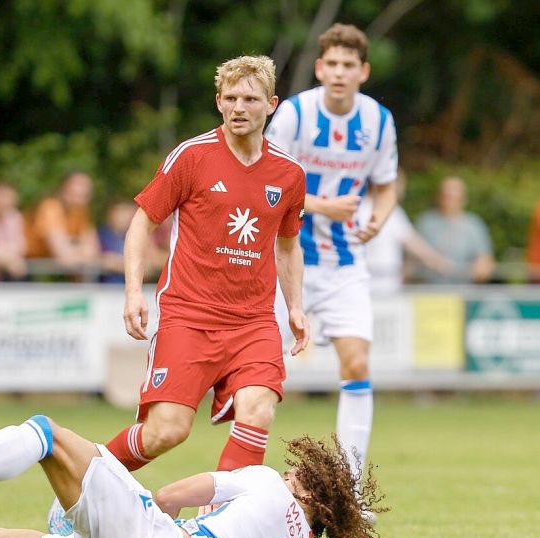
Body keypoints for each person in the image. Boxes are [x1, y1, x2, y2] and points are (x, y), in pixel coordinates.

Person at [106, 55, 309, 476]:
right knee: (166, 431)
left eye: (250, 99)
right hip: (188, 315)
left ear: (271, 104)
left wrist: (294, 306)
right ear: (218, 102)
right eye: (230, 98)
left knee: (258, 411)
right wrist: (132, 292)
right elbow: (141, 224)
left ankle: (220, 523)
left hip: (253, 323)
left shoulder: (289, 174)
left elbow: (287, 245)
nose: (239, 107)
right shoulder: (192, 157)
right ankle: (89, 478)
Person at [0, 415, 385, 538]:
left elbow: (171, 497)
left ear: (311, 492)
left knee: (48, 436)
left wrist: (120, 514)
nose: (288, 472)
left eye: (297, 472)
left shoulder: (265, 483)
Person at [265, 23, 398, 486]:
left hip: (343, 264)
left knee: (358, 363)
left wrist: (378, 218)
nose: (339, 73)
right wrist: (322, 205)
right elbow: (267, 183)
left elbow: (385, 186)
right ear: (320, 68)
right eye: (332, 65)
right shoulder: (295, 116)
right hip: (285, 260)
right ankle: (243, 481)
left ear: (363, 71)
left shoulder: (378, 121)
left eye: (349, 65)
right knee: (259, 371)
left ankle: (351, 488)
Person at [357, 169, 453, 294]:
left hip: (379, 280)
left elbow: (411, 240)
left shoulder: (387, 210)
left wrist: (436, 261)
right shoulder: (380, 210)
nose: (402, 189)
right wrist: (438, 262)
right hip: (375, 281)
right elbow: (412, 243)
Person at [414, 176, 495, 284]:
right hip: (428, 293)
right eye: (446, 196)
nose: (449, 200)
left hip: (462, 293)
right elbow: (412, 261)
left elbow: (485, 263)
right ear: (438, 197)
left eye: (454, 197)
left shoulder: (473, 224)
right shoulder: (425, 222)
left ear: (463, 199)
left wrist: (468, 272)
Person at [25, 172, 100, 278]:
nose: (80, 198)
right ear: (63, 190)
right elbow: (63, 256)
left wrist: (70, 246)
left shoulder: (81, 211)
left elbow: (93, 251)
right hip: (24, 268)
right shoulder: (50, 208)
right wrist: (76, 246)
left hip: (47, 269)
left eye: (84, 195)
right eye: (75, 193)